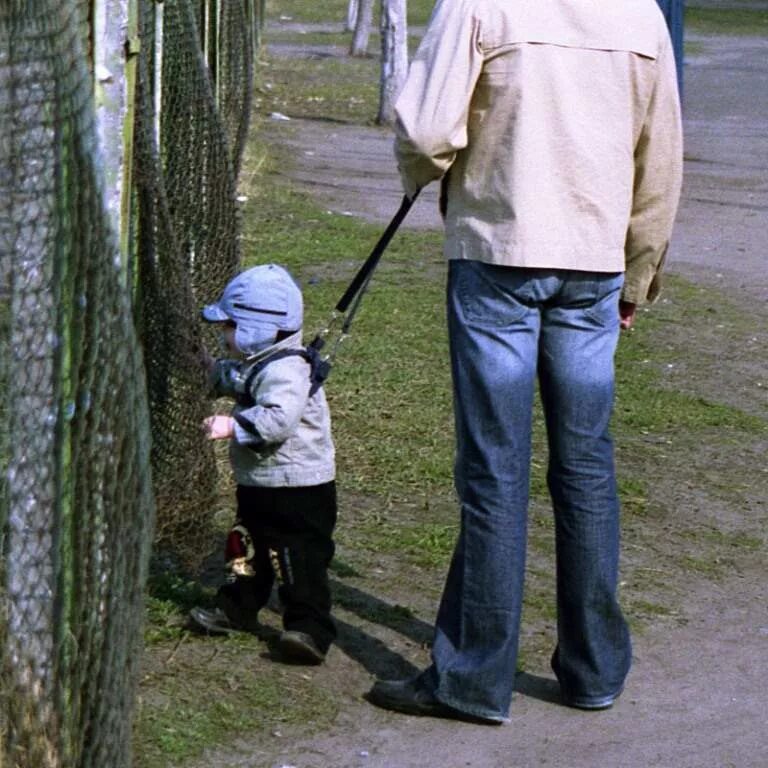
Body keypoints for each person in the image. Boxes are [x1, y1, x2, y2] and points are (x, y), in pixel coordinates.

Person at [367, 0, 683, 722]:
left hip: (500, 252)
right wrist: (638, 272)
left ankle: (475, 678)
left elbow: (422, 128)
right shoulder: (642, 16)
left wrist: (433, 174)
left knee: (494, 471)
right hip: (593, 263)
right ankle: (594, 669)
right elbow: (659, 156)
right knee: (586, 466)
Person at [189, 264, 337, 665]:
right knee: (244, 547)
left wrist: (231, 425)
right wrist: (208, 370)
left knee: (297, 559)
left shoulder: (287, 369)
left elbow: (278, 419)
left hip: (299, 489)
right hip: (260, 483)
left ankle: (308, 629)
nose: (225, 334)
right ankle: (235, 606)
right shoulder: (260, 359)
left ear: (258, 327)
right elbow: (236, 379)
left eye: (231, 326)